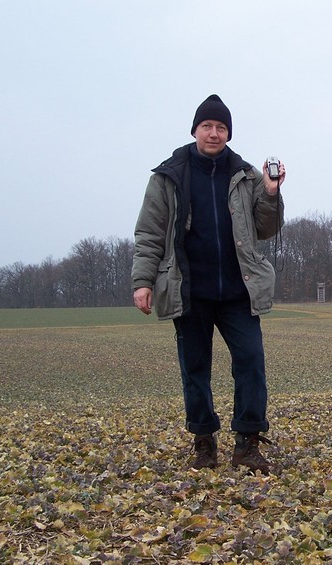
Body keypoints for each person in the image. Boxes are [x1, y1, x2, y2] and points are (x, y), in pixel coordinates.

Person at [132, 94, 285, 473]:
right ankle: (204, 444)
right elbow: (149, 233)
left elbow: (266, 228)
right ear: (195, 130)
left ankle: (247, 444)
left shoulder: (247, 175)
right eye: (207, 126)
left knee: (251, 364)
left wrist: (270, 192)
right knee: (194, 371)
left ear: (228, 133)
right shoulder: (169, 175)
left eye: (221, 128)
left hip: (238, 291)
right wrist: (143, 281)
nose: (214, 134)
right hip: (189, 291)